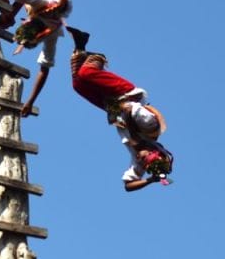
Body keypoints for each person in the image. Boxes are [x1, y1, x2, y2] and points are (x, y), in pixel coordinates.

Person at [66, 26, 174, 192]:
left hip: (113, 107)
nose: (139, 158)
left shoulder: (138, 160)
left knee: (78, 85)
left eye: (142, 161)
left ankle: (81, 43)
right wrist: (133, 135)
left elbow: (128, 186)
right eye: (144, 157)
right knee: (87, 73)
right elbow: (129, 109)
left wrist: (150, 180)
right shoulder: (150, 127)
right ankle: (98, 58)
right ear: (152, 150)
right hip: (124, 93)